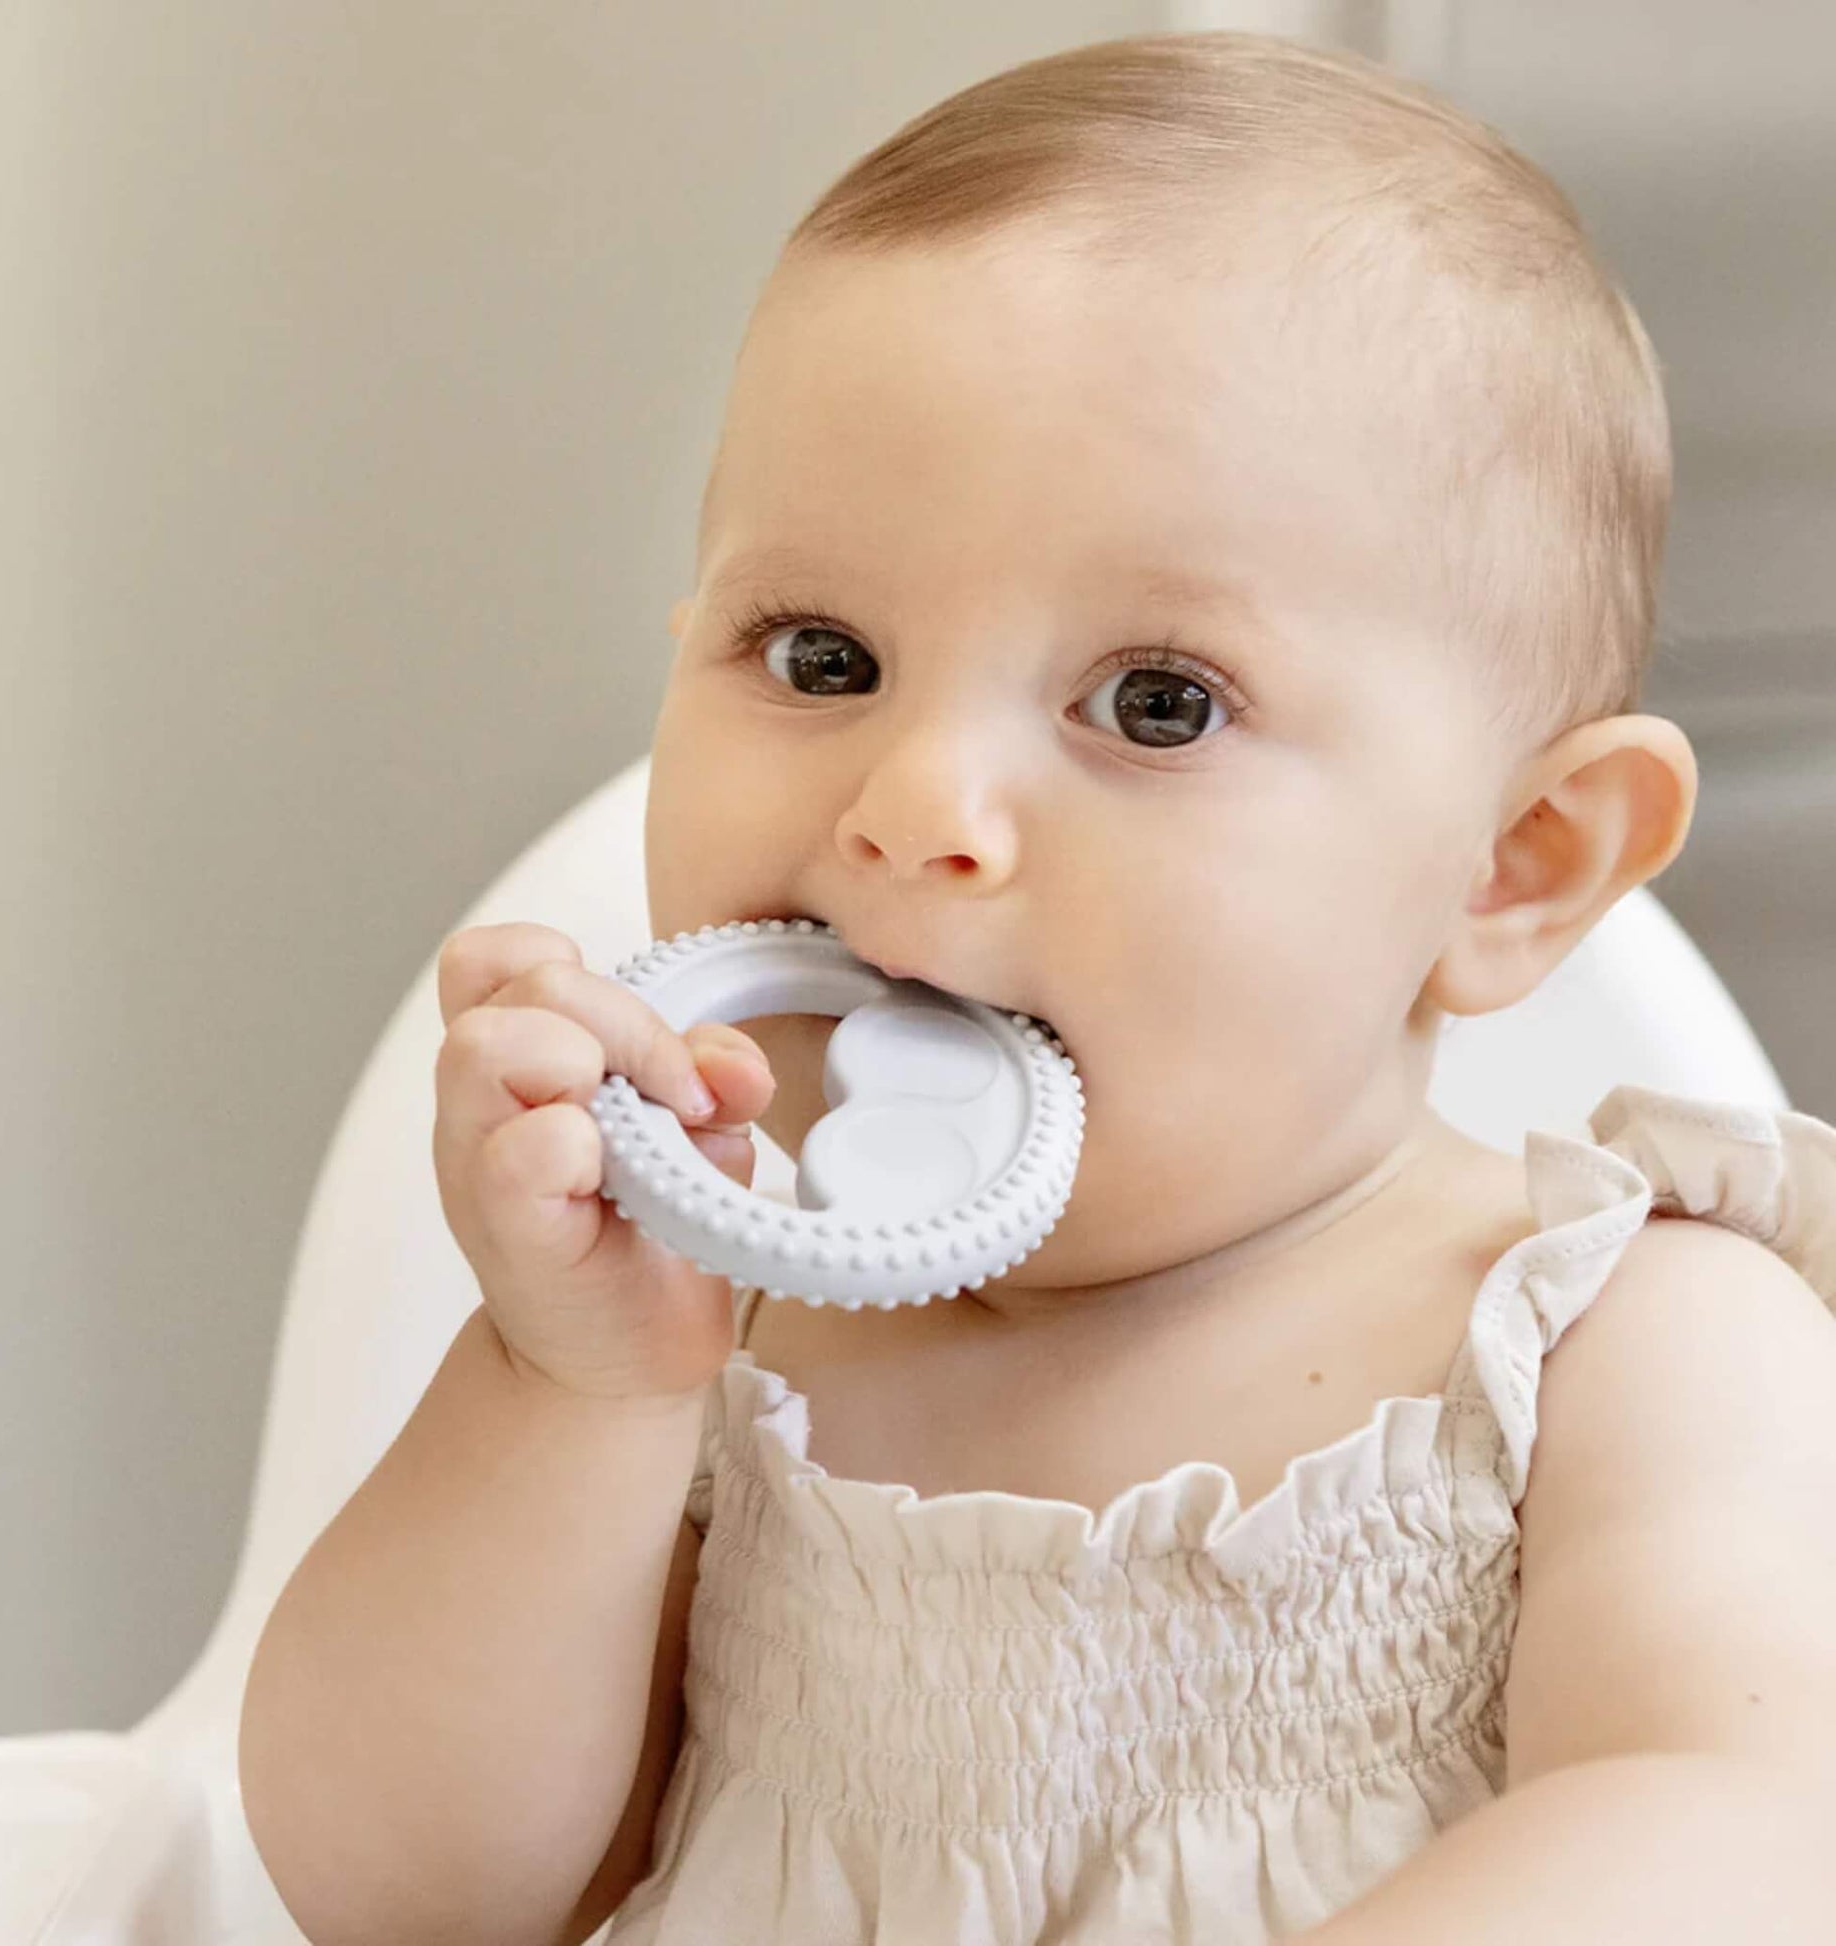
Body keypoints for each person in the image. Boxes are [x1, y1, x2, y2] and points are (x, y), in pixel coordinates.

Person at [237, 32, 1836, 1945]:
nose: (914, 810)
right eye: (822, 654)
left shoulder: (1619, 1339)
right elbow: (406, 1896)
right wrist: (561, 1386)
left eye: (1157, 702)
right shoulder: (724, 1337)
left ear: (1517, 860)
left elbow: (1736, 1828)